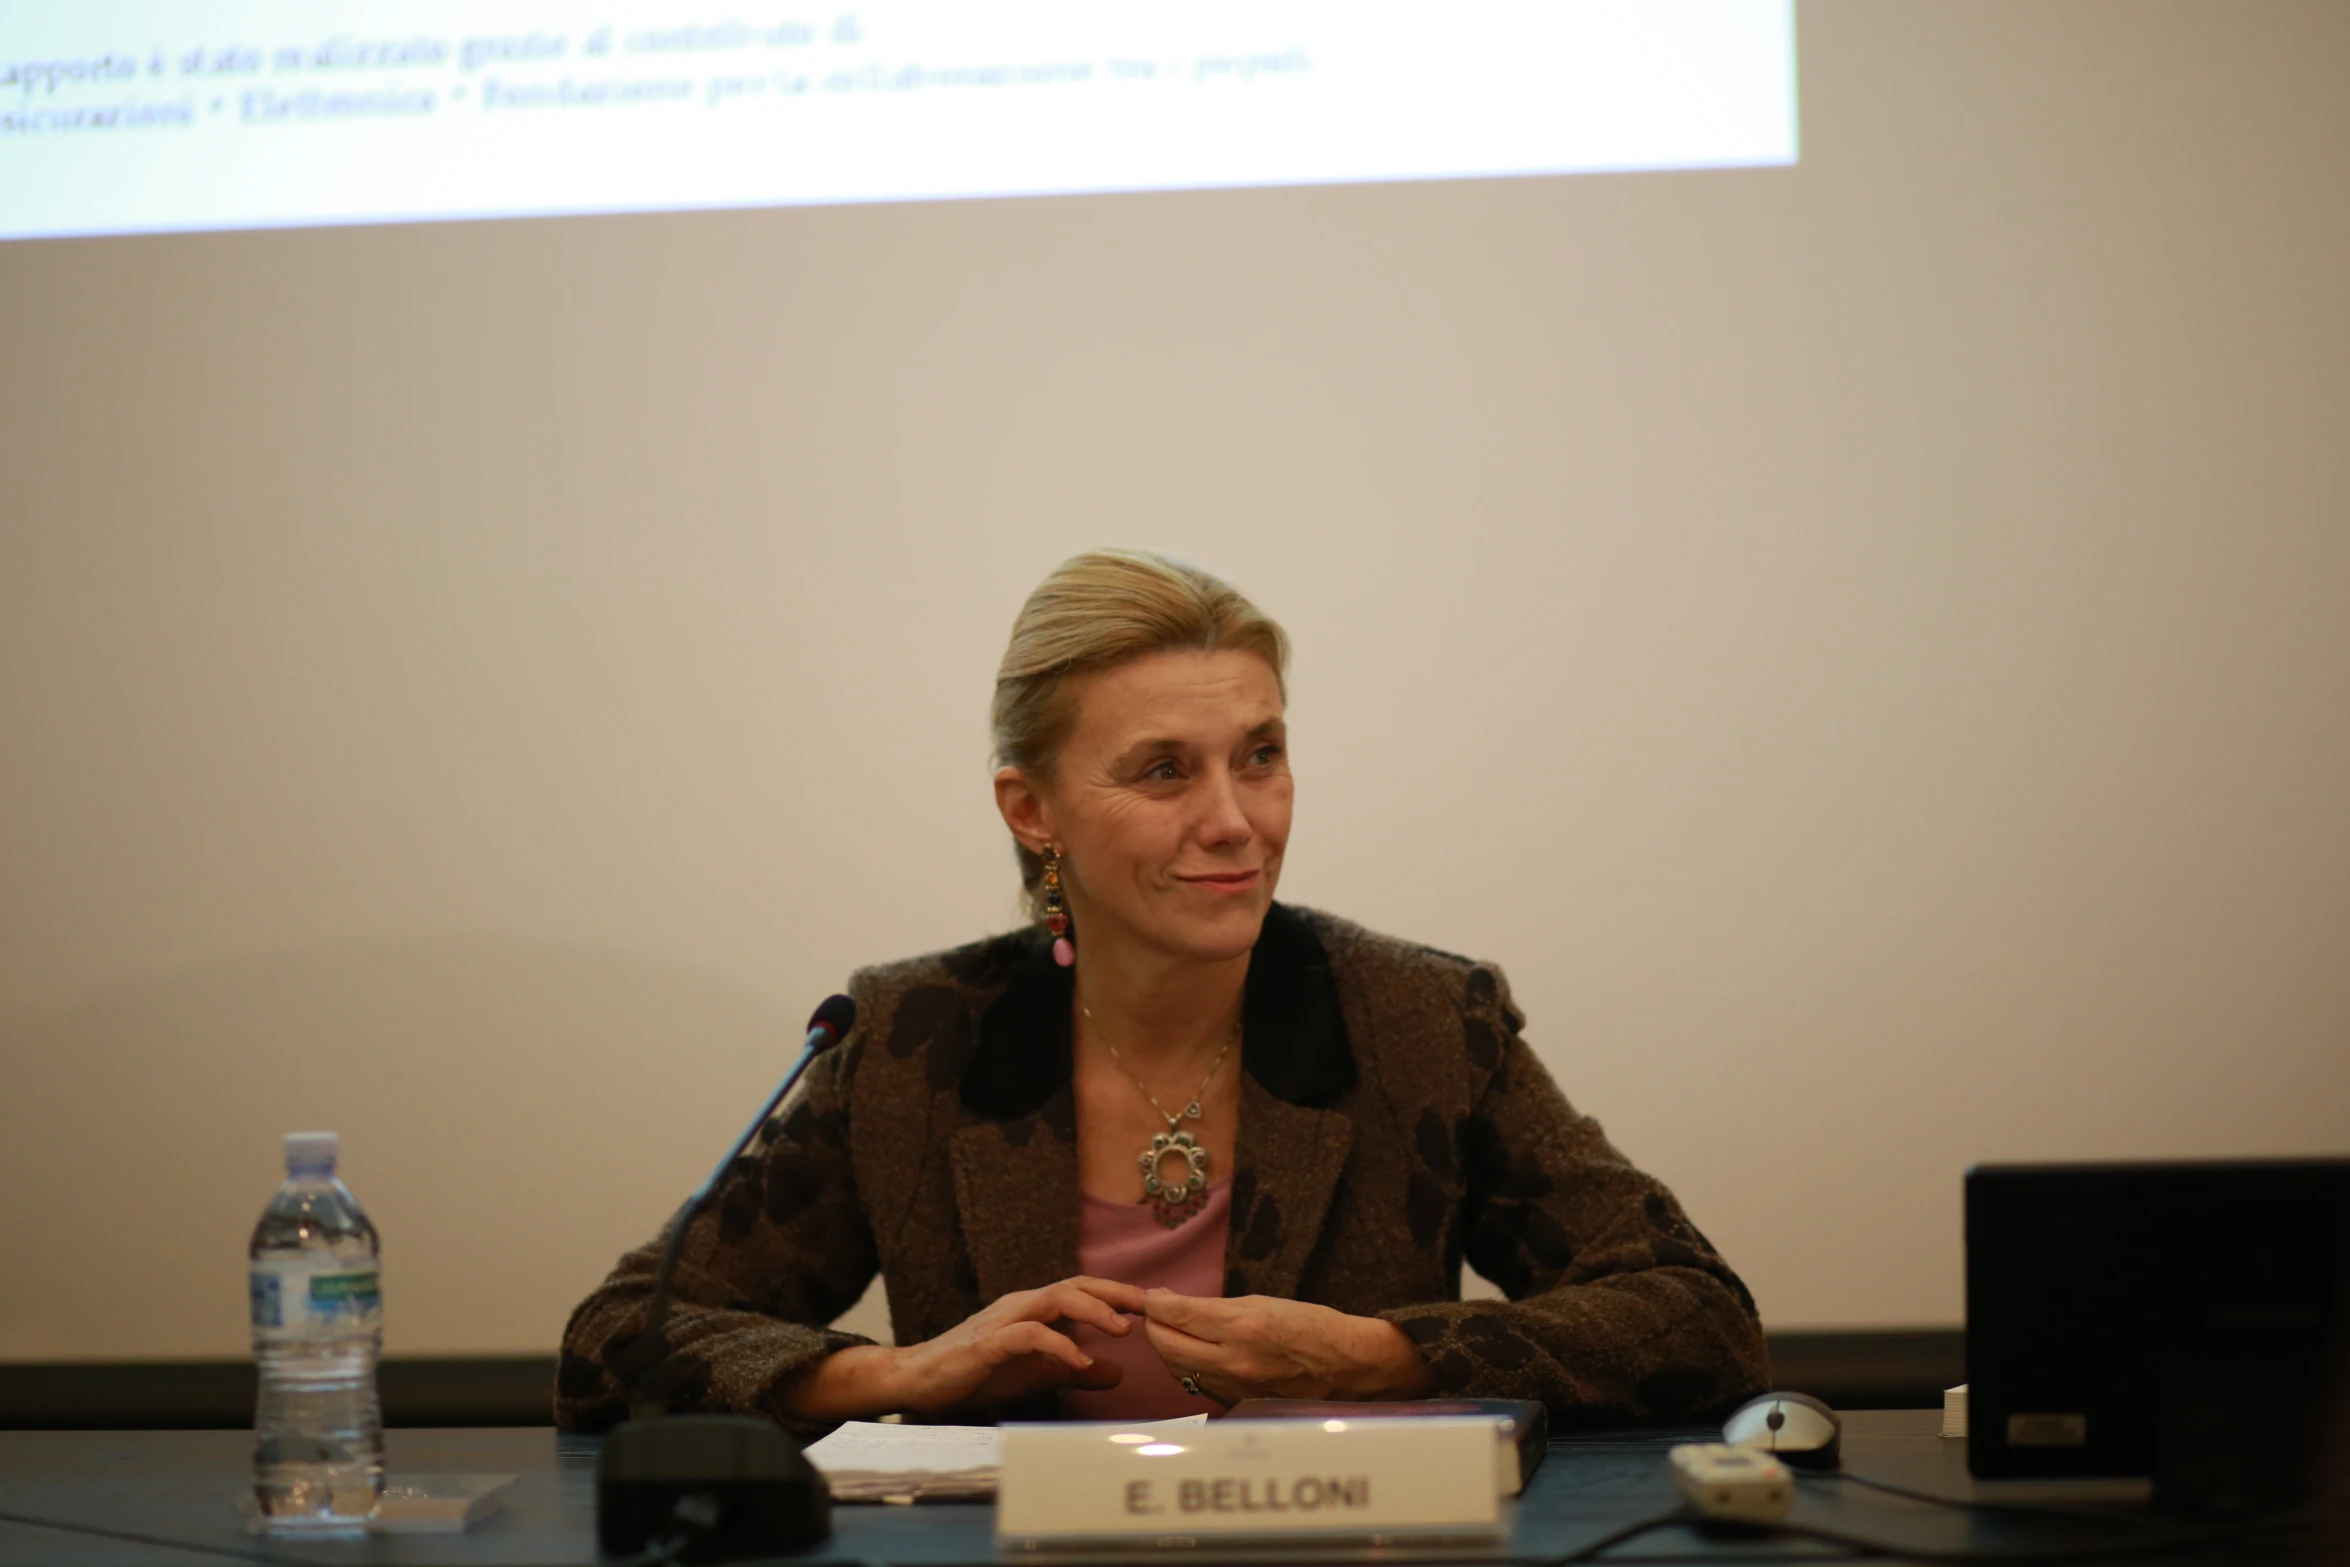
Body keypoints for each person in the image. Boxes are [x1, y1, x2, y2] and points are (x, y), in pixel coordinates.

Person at [556, 549, 1767, 1432]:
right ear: (1032, 812)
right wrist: (899, 1373)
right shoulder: (914, 1043)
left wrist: (1389, 1354)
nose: (1233, 821)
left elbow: (1695, 1317)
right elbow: (617, 1344)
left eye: (1261, 757)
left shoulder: (1418, 1023)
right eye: (1161, 772)